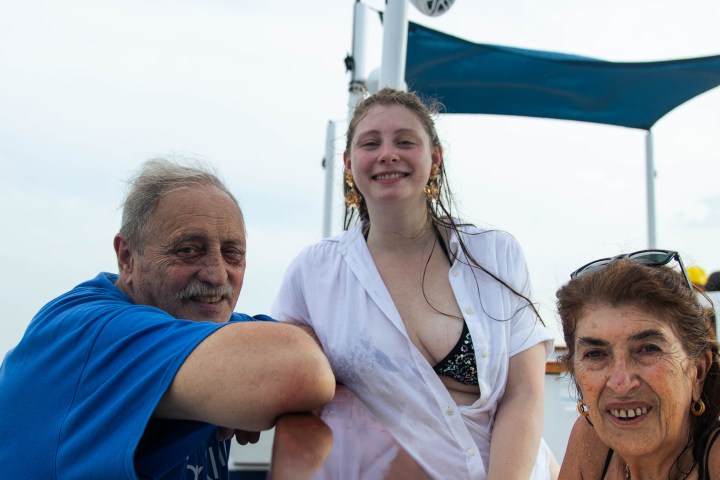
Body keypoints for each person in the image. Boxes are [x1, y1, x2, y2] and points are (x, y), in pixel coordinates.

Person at [272, 88, 556, 479]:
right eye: (370, 143)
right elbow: (287, 378)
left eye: (405, 141)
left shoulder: (495, 254)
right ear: (349, 164)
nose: (388, 153)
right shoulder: (313, 273)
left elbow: (523, 393)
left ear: (435, 158)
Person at [0, 158, 335, 479]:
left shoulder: (189, 326)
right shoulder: (93, 334)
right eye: (189, 250)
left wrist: (256, 373)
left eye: (232, 252)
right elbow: (299, 368)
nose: (217, 276)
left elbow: (315, 340)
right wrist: (266, 378)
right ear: (127, 258)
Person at [556, 249, 720, 479]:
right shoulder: (591, 442)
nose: (621, 383)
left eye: (648, 349)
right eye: (595, 354)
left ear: (699, 370)